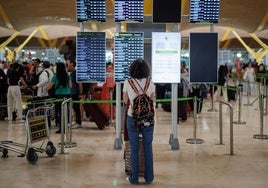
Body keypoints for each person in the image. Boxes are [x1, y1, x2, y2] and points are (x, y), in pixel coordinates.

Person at [123, 58, 155, 184]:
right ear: (147, 70)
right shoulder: (150, 83)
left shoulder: (128, 82)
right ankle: (149, 178)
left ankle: (134, 178)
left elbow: (126, 101)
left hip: (132, 118)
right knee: (148, 146)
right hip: (148, 119)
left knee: (134, 147)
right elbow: (152, 101)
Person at [46, 62, 71, 133]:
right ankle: (66, 127)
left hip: (59, 96)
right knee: (66, 112)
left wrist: (44, 89)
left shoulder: (55, 76)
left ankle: (61, 128)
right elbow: (70, 86)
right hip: (67, 95)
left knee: (60, 112)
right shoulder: (67, 76)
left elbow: (49, 87)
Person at [66, 59, 83, 128]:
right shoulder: (72, 73)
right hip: (72, 93)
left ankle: (79, 123)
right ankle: (76, 121)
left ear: (73, 65)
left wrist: (80, 93)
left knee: (76, 108)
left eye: (69, 66)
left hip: (75, 93)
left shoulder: (76, 73)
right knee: (74, 108)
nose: (68, 67)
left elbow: (80, 84)